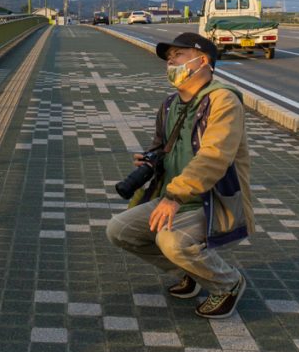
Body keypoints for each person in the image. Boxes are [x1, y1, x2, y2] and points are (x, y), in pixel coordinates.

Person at [105, 32, 254, 319]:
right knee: (119, 230)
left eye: (179, 55)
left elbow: (214, 157)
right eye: (169, 58)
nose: (171, 61)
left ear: (203, 61)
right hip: (173, 197)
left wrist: (173, 197)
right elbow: (162, 146)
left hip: (212, 201)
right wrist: (151, 159)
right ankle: (193, 272)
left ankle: (228, 283)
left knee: (171, 241)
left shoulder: (223, 101)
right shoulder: (170, 104)